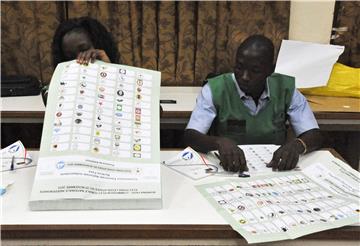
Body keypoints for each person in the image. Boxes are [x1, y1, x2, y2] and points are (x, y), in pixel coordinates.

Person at [183, 35, 323, 173]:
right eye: (239, 67)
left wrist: (297, 145)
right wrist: (218, 142)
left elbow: (314, 134)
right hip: (230, 168)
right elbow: (191, 136)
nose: (244, 77)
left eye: (254, 71)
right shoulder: (215, 89)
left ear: (270, 70)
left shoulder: (285, 88)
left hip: (272, 168)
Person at [52, 16, 120, 67]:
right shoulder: (54, 85)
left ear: (100, 45)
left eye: (84, 50)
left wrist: (108, 68)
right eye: (71, 57)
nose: (80, 60)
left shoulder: (127, 80)